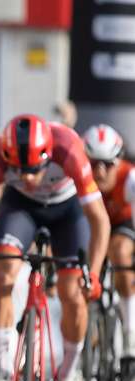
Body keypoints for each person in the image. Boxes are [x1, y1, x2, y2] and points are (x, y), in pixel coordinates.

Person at [0, 114, 110, 381]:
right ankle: (2, 374)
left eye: (33, 170)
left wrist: (92, 274)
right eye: (18, 170)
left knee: (73, 293)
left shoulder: (69, 150)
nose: (27, 177)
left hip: (68, 211)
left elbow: (99, 221)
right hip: (22, 209)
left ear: (48, 156)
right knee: (3, 275)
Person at [82, 124, 135, 366]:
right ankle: (86, 332)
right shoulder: (77, 176)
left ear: (119, 161)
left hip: (123, 223)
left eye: (108, 164)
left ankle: (129, 333)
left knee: (120, 252)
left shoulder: (130, 178)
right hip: (92, 226)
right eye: (93, 163)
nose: (100, 171)